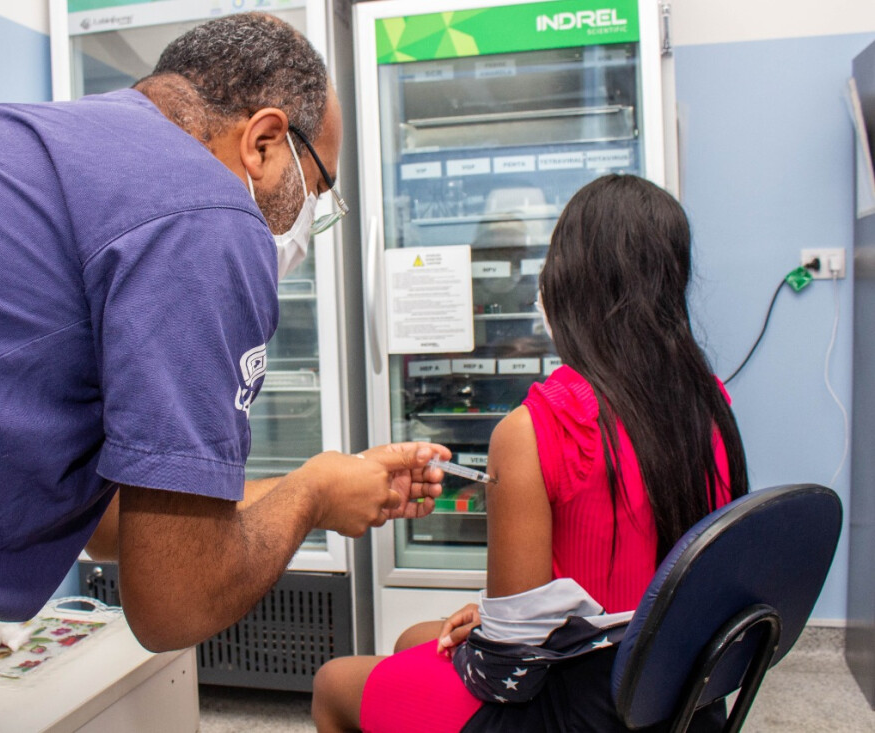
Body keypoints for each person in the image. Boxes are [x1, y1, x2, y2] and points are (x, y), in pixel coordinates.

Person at [0, 13, 450, 730]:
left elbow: (117, 523)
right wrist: (312, 495)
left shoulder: (64, 155)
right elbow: (175, 599)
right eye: (317, 185)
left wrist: (321, 479)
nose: (308, 216)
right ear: (263, 141)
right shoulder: (202, 208)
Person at [311, 174, 750, 733]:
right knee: (411, 640)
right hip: (679, 698)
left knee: (334, 683)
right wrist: (492, 617)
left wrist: (495, 625)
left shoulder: (535, 428)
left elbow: (508, 665)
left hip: (573, 706)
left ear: (567, 282)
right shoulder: (713, 407)